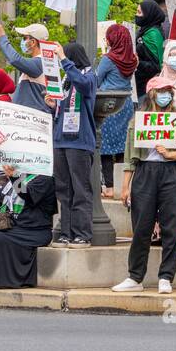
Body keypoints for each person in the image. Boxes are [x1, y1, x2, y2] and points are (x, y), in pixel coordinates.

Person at [113, 81, 176, 294]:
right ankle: (135, 276)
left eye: (168, 92)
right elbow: (130, 155)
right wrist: (125, 187)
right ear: (151, 93)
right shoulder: (138, 122)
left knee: (172, 225)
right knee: (142, 225)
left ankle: (166, 277)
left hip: (172, 172)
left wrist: (172, 154)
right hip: (145, 172)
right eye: (161, 92)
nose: (165, 96)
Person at [50, 42, 98, 248]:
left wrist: (63, 59)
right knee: (63, 189)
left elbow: (84, 85)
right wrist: (53, 105)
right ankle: (66, 232)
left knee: (80, 189)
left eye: (66, 57)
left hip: (80, 141)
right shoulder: (65, 80)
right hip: (60, 140)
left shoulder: (89, 76)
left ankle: (83, 234)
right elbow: (62, 111)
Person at [96, 23, 137, 198]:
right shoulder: (133, 59)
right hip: (125, 103)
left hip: (108, 103)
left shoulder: (108, 59)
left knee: (105, 148)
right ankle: (122, 186)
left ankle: (110, 187)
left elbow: (97, 79)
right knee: (121, 146)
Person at [0, 20, 52, 110]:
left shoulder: (39, 63)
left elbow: (15, 59)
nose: (22, 41)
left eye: (24, 38)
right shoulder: (41, 63)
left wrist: (2, 37)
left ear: (33, 42)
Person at [134, 0, 166, 97]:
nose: (136, 15)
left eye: (139, 12)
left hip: (148, 86)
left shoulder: (153, 35)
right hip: (141, 82)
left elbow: (155, 66)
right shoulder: (145, 30)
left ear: (148, 14)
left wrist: (138, 63)